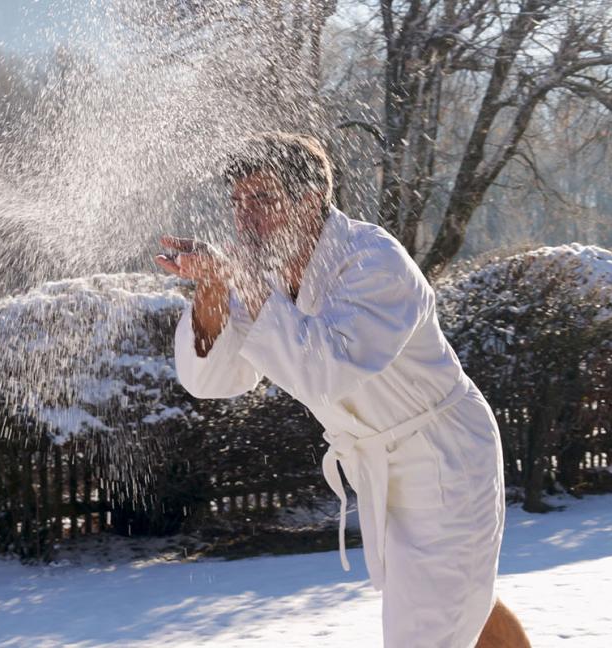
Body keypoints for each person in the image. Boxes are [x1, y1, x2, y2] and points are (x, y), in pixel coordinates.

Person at [155, 133, 529, 647]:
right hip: (377, 464)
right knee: (458, 604)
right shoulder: (255, 270)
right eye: (238, 202)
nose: (245, 217)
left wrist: (237, 277)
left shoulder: (373, 261)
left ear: (311, 200)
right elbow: (213, 380)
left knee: (427, 627)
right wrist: (214, 289)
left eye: (262, 199)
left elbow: (326, 370)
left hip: (444, 458)